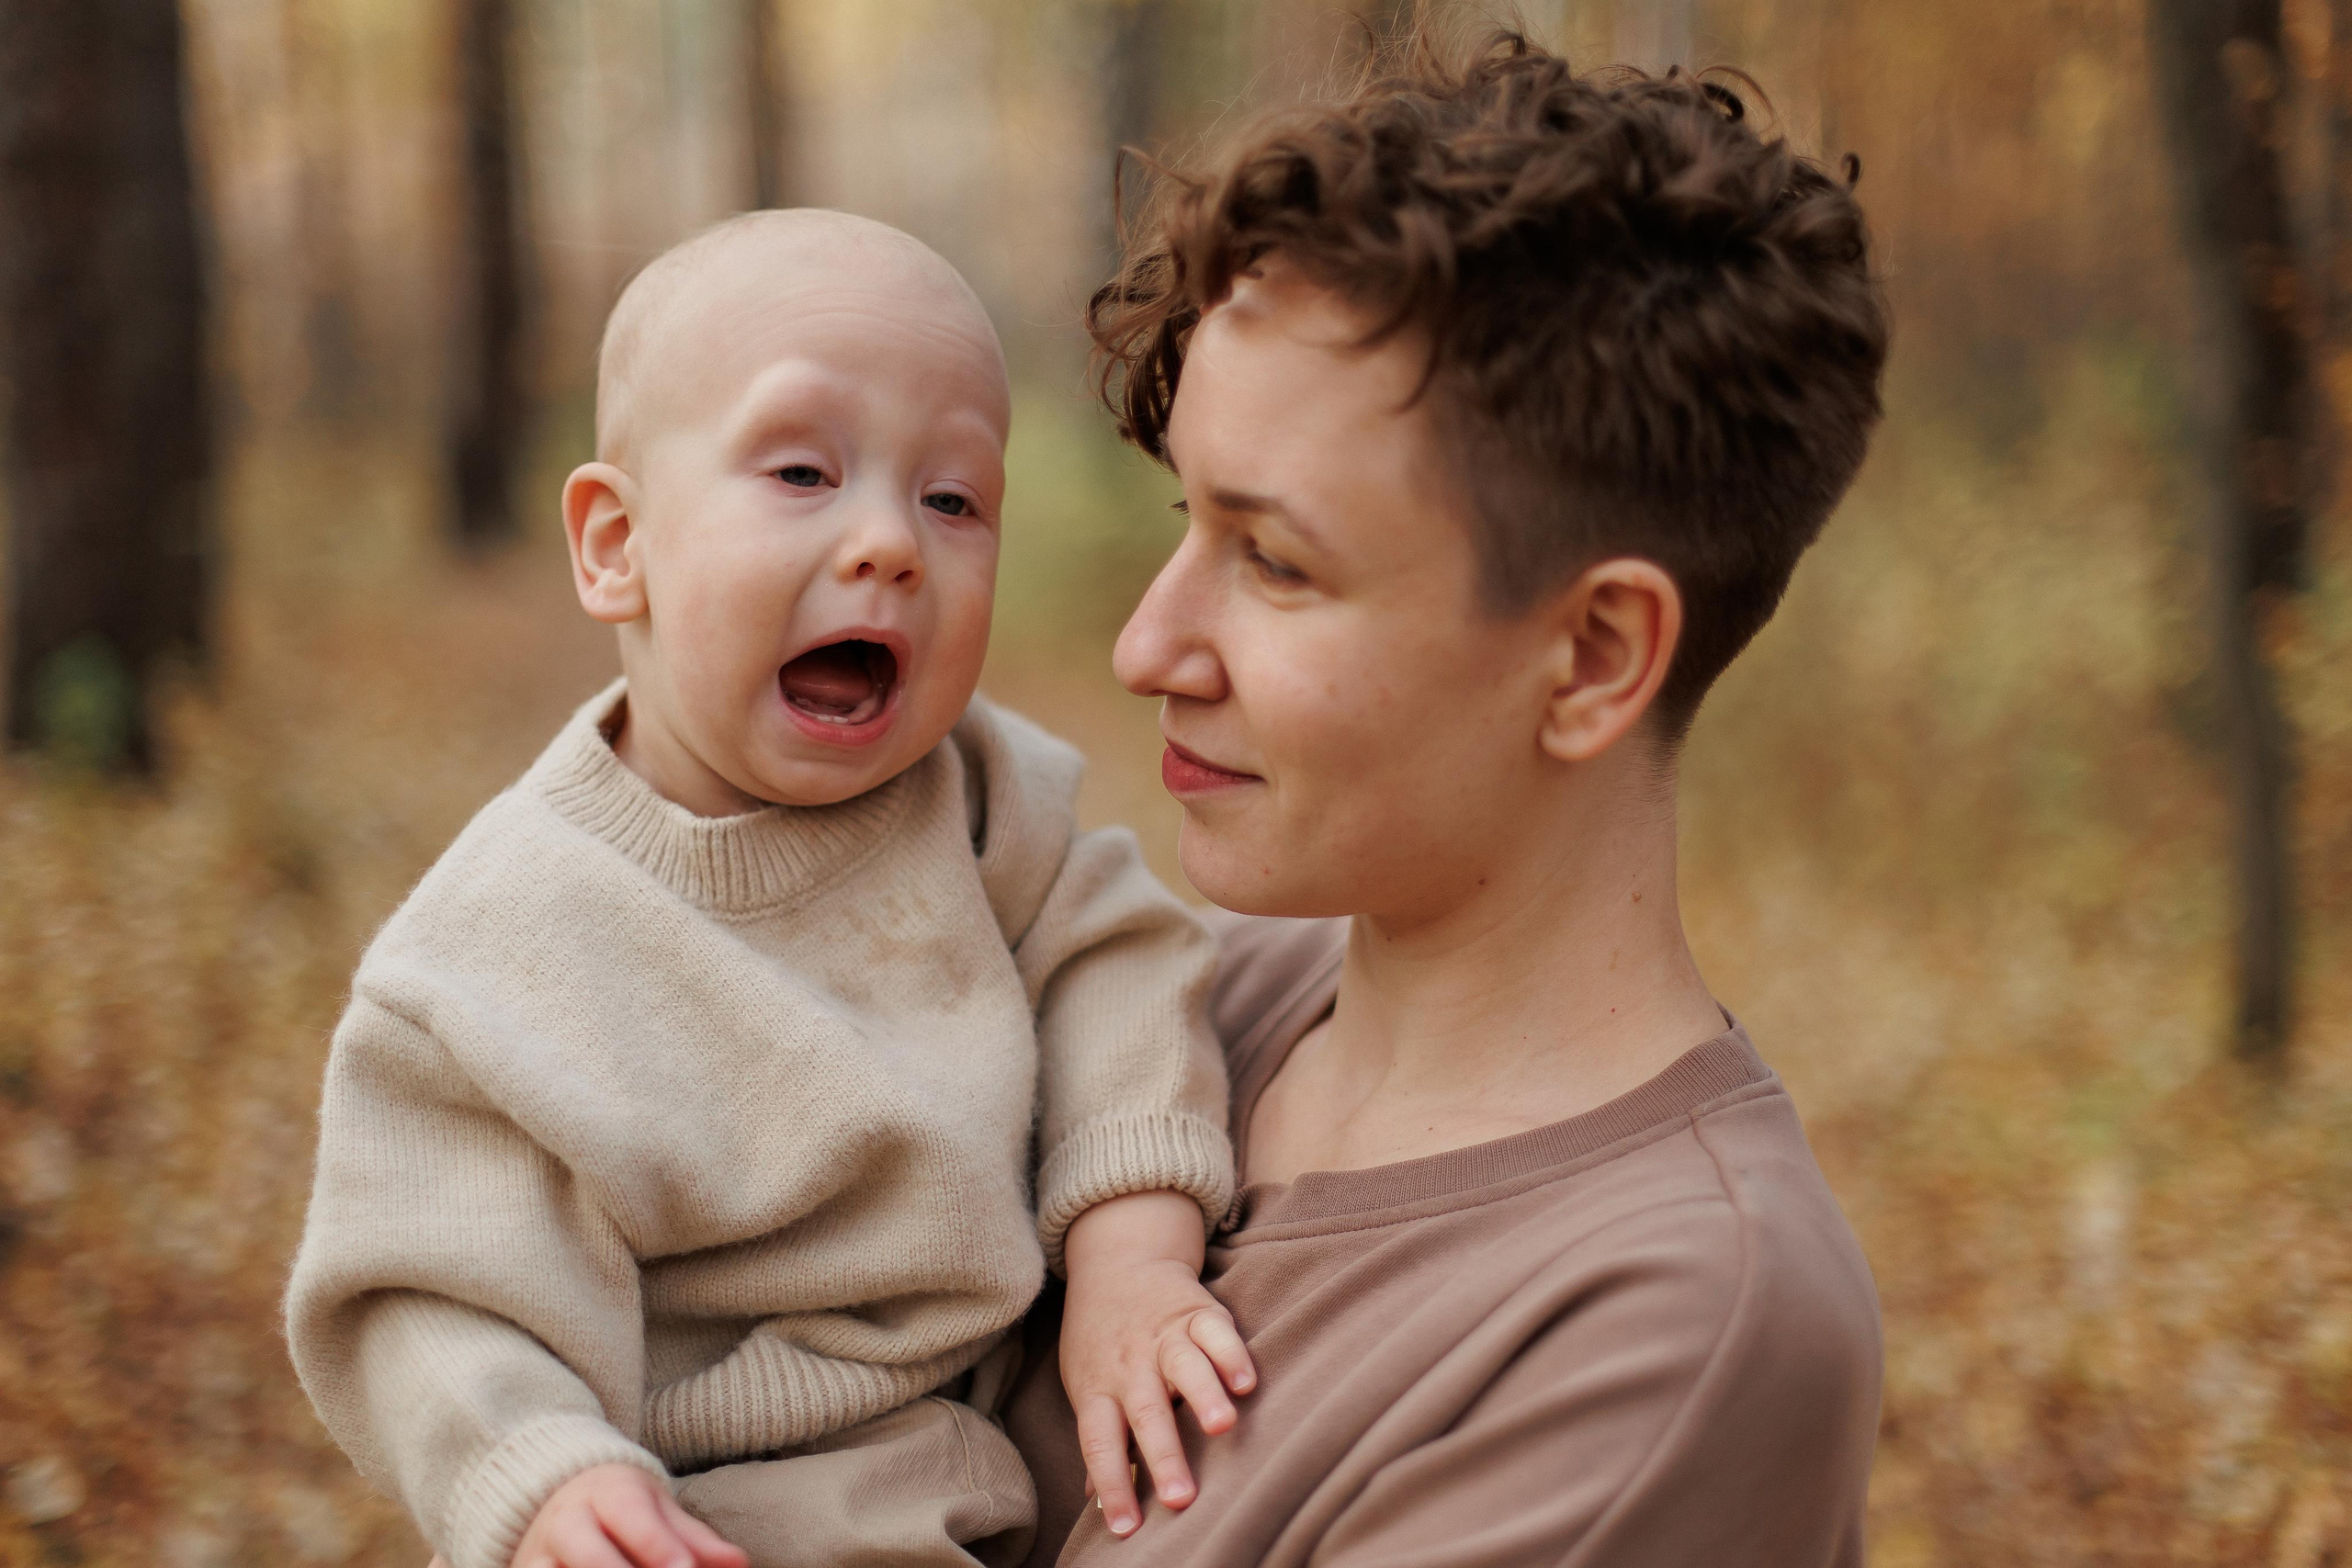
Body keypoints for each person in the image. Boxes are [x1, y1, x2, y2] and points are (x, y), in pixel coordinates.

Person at [1003, 32, 1893, 1567]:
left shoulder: (1675, 1328)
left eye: (1273, 560)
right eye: (1183, 519)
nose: (1146, 645)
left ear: (1595, 657)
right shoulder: (1156, 1011)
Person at [284, 210, 1261, 1568]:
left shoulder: (987, 800)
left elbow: (1124, 976)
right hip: (691, 1503)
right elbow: (428, 1289)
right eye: (803, 472)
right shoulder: (500, 952)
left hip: (967, 1458)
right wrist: (540, 1473)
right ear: (616, 544)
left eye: (954, 499)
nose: (891, 544)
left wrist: (1132, 1259)